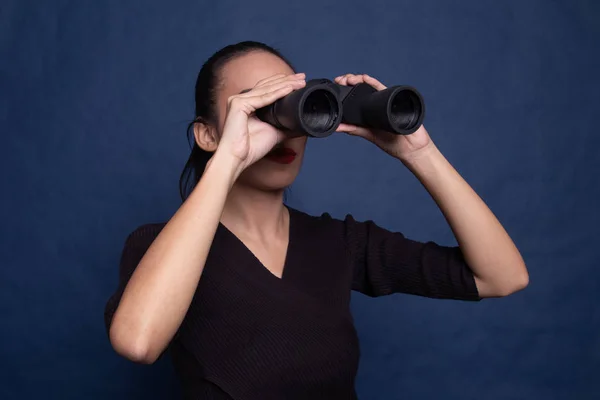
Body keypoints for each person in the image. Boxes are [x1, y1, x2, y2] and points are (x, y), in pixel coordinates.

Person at [104, 41, 529, 399]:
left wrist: (419, 153)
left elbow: (502, 277)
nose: (284, 130)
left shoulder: (338, 243)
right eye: (258, 107)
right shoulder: (158, 246)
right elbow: (137, 342)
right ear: (208, 134)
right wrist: (229, 158)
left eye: (290, 107)